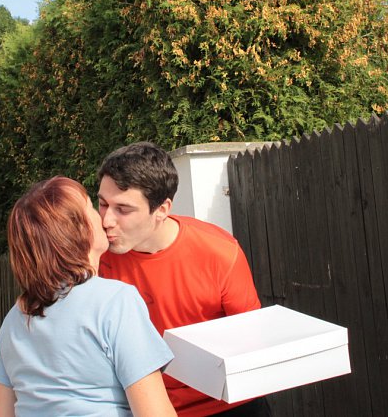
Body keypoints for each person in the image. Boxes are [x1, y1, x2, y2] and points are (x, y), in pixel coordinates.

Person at [97, 142, 270, 417]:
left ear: (162, 209)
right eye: (103, 204)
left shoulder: (219, 252)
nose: (106, 220)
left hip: (231, 405)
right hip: (145, 408)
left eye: (123, 209)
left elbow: (252, 340)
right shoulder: (95, 257)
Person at [0, 176, 176, 417]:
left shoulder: (13, 320)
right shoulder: (115, 302)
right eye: (91, 207)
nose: (104, 219)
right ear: (79, 231)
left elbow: (1, 413)